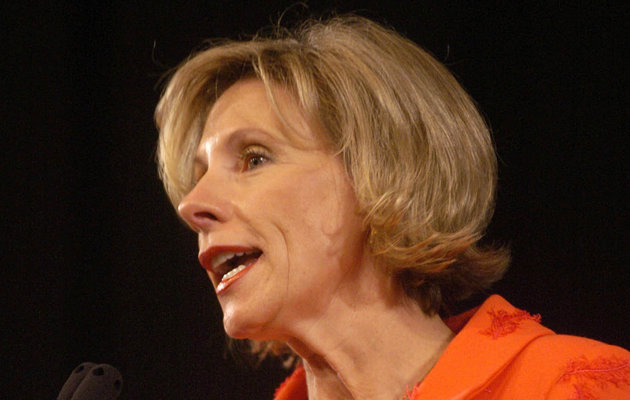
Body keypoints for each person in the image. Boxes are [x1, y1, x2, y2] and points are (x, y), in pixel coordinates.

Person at [155, 15, 629, 399]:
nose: (192, 205)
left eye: (254, 158)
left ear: (379, 174)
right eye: (198, 177)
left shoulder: (571, 387)